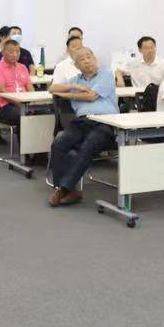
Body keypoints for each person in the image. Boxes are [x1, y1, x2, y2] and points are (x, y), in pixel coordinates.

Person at [47, 47, 119, 207]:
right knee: (59, 143)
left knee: (89, 144)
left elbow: (91, 96)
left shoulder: (106, 75)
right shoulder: (76, 79)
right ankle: (69, 189)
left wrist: (67, 94)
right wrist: (77, 87)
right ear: (76, 65)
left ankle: (63, 189)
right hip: (82, 122)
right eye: (82, 59)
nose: (87, 61)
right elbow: (52, 88)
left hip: (105, 122)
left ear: (95, 58)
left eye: (89, 57)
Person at [0, 40, 33, 126]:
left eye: (17, 51)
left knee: (43, 112)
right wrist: (20, 103)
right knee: (22, 115)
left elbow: (29, 86)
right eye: (11, 52)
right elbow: (2, 92)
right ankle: (21, 135)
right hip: (6, 106)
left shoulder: (23, 67)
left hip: (24, 103)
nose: (15, 54)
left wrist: (32, 100)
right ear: (3, 52)